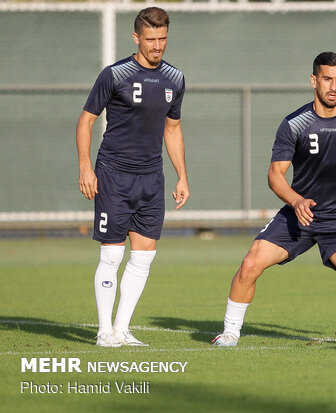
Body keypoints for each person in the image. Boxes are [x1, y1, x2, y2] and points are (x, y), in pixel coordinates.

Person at [212, 51, 336, 347]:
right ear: (314, 80)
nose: (333, 87)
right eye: (327, 79)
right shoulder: (294, 124)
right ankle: (231, 333)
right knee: (250, 264)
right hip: (298, 216)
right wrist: (296, 201)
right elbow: (275, 175)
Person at [76, 7, 189, 347]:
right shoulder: (114, 74)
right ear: (136, 37)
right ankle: (103, 331)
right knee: (111, 255)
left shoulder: (176, 79)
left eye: (163, 39)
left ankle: (122, 330)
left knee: (143, 257)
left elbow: (173, 129)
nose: (157, 46)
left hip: (152, 179)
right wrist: (85, 167)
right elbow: (86, 121)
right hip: (114, 174)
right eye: (151, 39)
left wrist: (182, 175)